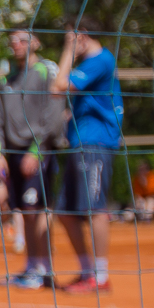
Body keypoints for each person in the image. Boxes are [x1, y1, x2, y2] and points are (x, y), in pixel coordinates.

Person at [0, 29, 68, 289]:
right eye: (13, 40)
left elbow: (52, 115)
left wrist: (36, 151)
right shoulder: (7, 78)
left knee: (37, 209)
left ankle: (43, 269)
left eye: (23, 40)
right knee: (24, 211)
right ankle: (32, 267)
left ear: (35, 43)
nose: (17, 44)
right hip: (12, 153)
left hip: (37, 151)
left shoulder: (46, 71)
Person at [49, 24, 123, 293]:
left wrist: (68, 50)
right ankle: (87, 271)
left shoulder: (100, 60)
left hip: (95, 144)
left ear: (82, 36)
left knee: (95, 209)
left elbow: (58, 86)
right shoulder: (93, 64)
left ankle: (100, 276)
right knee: (65, 212)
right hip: (81, 142)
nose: (69, 43)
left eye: (70, 38)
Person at [130, 157, 154, 223]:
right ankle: (141, 220)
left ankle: (147, 220)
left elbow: (153, 191)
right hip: (141, 198)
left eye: (143, 169)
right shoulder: (136, 178)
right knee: (140, 204)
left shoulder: (153, 176)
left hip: (152, 197)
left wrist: (145, 183)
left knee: (149, 205)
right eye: (140, 170)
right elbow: (137, 192)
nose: (141, 171)